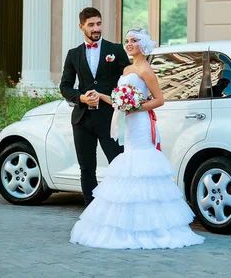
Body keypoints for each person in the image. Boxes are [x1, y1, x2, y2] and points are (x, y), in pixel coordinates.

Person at [69, 28, 205, 249]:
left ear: (143, 45)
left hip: (140, 123)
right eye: (127, 41)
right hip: (128, 123)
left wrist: (135, 107)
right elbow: (117, 99)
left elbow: (159, 100)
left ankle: (149, 226)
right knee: (128, 165)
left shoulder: (146, 71)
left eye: (134, 41)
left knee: (141, 167)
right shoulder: (127, 69)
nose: (129, 44)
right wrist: (101, 96)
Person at [59, 7, 130, 206]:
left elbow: (127, 80)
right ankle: (92, 210)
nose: (96, 28)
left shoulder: (115, 50)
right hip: (82, 120)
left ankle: (120, 205)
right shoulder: (73, 54)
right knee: (86, 168)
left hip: (109, 118)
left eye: (99, 23)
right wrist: (81, 98)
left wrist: (114, 98)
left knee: (118, 163)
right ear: (81, 27)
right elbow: (64, 86)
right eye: (91, 25)